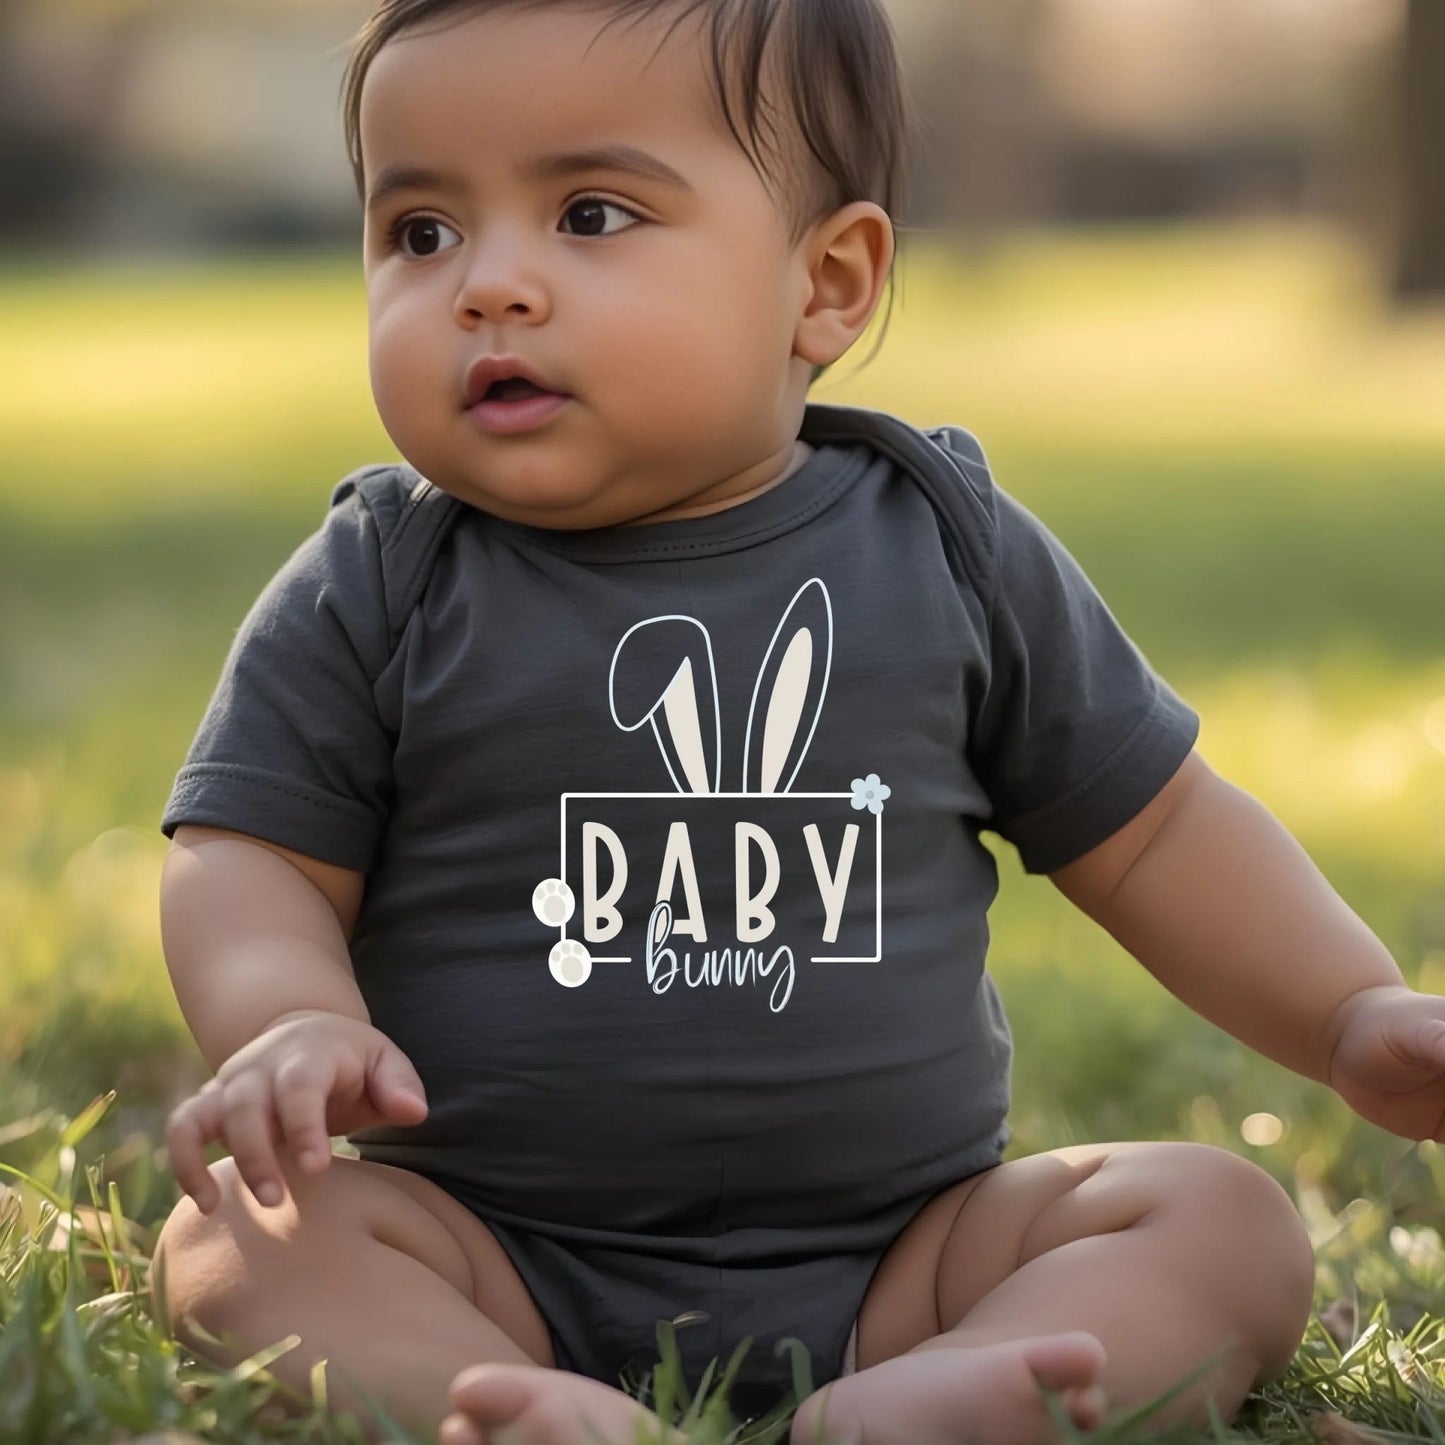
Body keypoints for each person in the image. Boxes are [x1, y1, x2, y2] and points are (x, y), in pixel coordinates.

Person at [148, 2, 1445, 1443]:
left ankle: (925, 1402)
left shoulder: (946, 548)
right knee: (234, 1239)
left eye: (587, 213)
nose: (487, 287)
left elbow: (1157, 834)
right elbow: (247, 849)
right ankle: (511, 1401)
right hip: (481, 1241)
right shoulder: (384, 577)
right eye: (421, 234)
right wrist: (292, 1019)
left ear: (823, 281)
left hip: (911, 1256)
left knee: (1220, 1218)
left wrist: (1343, 1009)